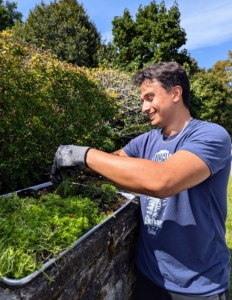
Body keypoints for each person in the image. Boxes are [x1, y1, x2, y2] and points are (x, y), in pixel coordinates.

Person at [50, 62, 231, 299]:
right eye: (142, 100)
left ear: (176, 93)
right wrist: (81, 164)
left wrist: (82, 153)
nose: (144, 107)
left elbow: (163, 181)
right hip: (148, 274)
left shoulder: (210, 135)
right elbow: (117, 159)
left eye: (150, 97)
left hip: (197, 283)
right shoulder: (146, 140)